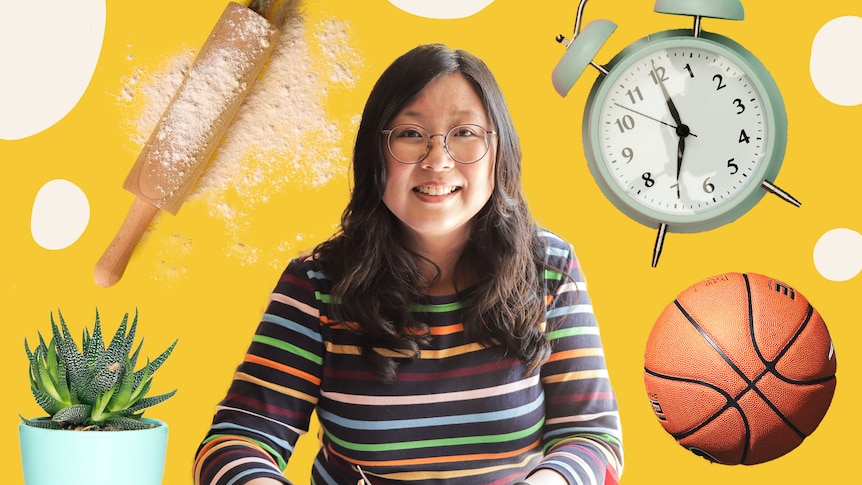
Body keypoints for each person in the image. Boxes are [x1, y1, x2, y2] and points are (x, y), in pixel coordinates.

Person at [194, 43, 623, 485]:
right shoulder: (317, 284)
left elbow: (592, 438)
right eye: (410, 134)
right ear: (375, 154)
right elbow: (234, 442)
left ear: (500, 150)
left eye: (465, 133)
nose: (437, 161)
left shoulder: (549, 266)